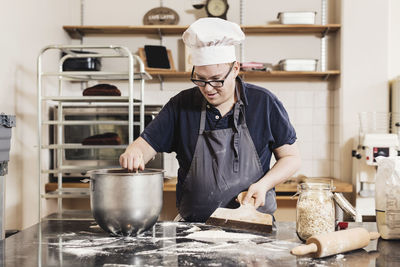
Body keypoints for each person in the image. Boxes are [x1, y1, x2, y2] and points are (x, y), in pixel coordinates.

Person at [120, 18, 301, 222]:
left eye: (216, 79)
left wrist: (264, 184)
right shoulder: (181, 105)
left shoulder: (264, 103)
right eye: (200, 78)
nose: (207, 88)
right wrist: (134, 151)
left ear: (235, 69)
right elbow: (145, 146)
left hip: (253, 228)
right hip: (193, 230)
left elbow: (291, 158)